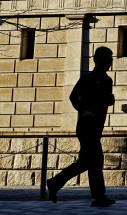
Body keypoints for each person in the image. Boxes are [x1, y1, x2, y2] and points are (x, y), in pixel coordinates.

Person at [47, 46, 116, 207]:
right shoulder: (87, 79)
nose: (110, 62)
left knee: (87, 162)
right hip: (86, 128)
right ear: (98, 60)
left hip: (97, 127)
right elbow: (73, 96)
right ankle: (98, 196)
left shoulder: (107, 80)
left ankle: (55, 183)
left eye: (111, 59)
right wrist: (83, 111)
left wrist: (109, 100)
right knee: (96, 161)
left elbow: (104, 100)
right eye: (108, 59)